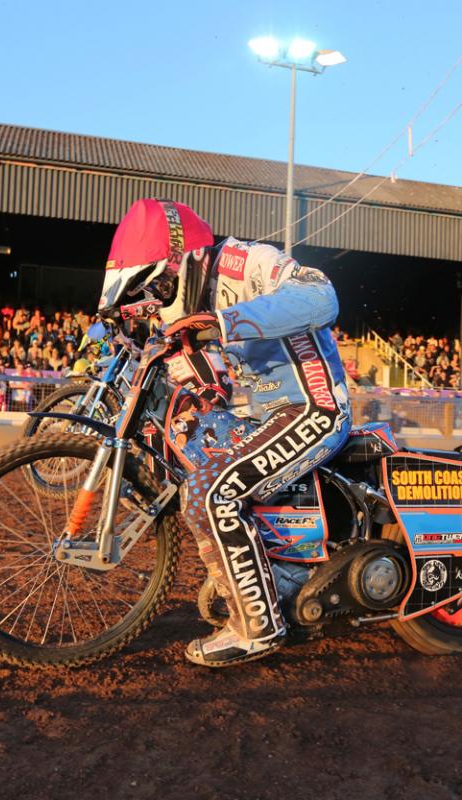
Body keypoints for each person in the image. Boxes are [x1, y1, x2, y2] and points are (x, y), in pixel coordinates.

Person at [98, 198, 351, 667]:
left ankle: (258, 628)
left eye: (160, 283)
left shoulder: (244, 261)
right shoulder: (192, 301)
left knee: (210, 491)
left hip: (314, 409)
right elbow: (207, 380)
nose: (160, 296)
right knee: (190, 445)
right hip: (264, 416)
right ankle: (275, 572)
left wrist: (224, 322)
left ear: (186, 260)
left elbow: (322, 296)